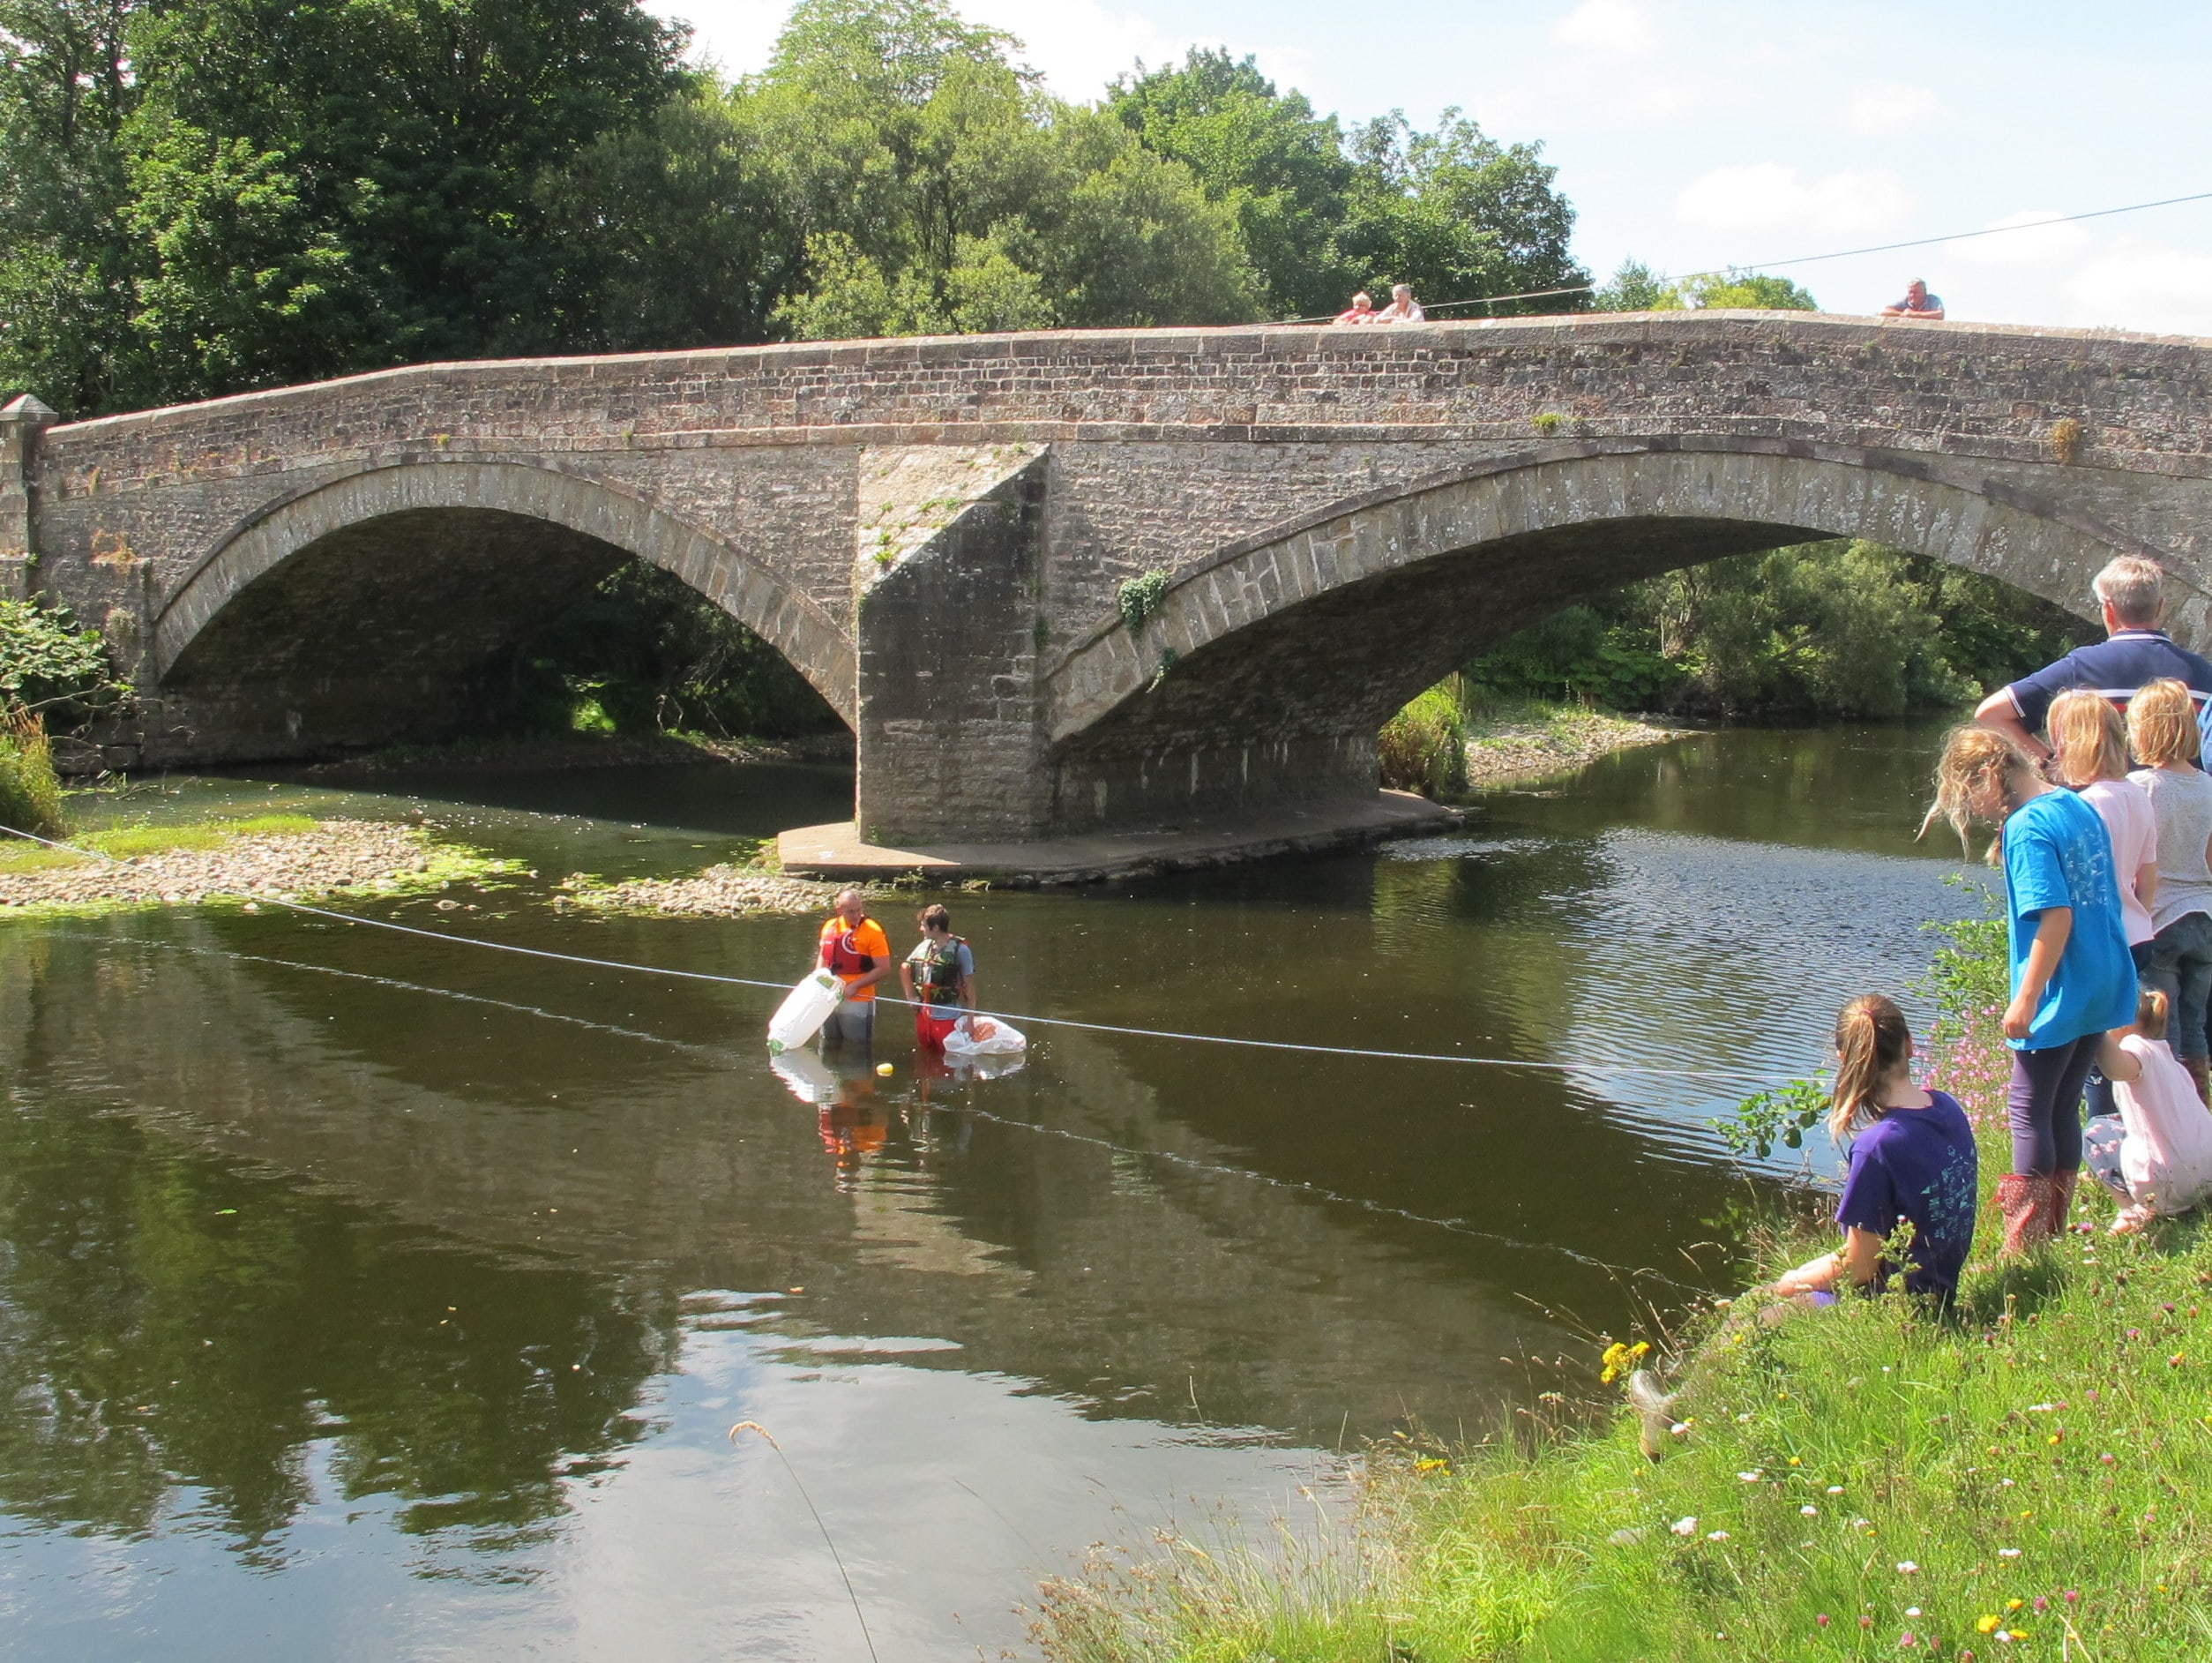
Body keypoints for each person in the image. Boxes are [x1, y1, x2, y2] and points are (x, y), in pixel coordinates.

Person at [1925, 724, 2134, 1253]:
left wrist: (2025, 999)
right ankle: (2052, 1235)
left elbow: (2056, 918)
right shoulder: (2075, 803)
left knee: (2028, 1107)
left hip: (2060, 989)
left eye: (1970, 796)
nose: (1975, 811)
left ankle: (2025, 1245)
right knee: (2062, 1105)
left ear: (1989, 775)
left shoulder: (2026, 826)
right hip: (2103, 975)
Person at [1772, 995, 1978, 1307]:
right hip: (1939, 1291)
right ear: (1909, 1044)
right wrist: (1803, 1273)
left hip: (1896, 1306)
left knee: (1749, 1315)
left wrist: (1792, 1283)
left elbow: (1859, 1269)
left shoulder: (1877, 1146)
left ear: (1844, 1059)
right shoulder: (1947, 1107)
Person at [1973, 555, 2212, 766]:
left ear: (2107, 609)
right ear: (2159, 607)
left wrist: (2049, 764)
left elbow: (1991, 714)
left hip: (2096, 802)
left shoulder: (2080, 666)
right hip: (2189, 802)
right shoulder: (2203, 673)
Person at [2048, 689, 2159, 1120]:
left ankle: (2103, 1141)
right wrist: (2137, 919)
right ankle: (2141, 1128)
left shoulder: (2086, 804)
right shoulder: (2137, 795)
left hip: (2100, 941)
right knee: (2122, 1049)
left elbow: (2077, 884)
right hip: (2138, 935)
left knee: (2092, 1060)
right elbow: (2147, 876)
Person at [2127, 680, 2212, 1103]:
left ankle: (2168, 1118)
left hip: (2160, 919)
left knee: (2162, 1031)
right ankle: (2199, 1118)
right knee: (2195, 1028)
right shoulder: (2208, 786)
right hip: (2204, 919)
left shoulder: (2141, 787)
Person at [2082, 987, 2212, 1232]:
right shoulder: (2166, 1055)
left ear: (2122, 1023)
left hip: (2168, 1180)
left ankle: (2130, 1210)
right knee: (2118, 1122)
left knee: (2094, 1131)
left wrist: (2093, 1025)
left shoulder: (2136, 1048)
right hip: (2206, 1170)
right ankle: (2197, 1193)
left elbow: (2114, 1069)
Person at [816, 888, 890, 1048]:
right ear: (839, 910)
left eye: (859, 910)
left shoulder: (873, 931)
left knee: (857, 1047)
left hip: (858, 1000)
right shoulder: (829, 927)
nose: (857, 915)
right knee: (828, 1044)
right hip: (829, 997)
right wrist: (818, 981)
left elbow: (884, 968)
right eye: (851, 911)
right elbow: (823, 956)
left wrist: (855, 986)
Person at [900, 903, 975, 1051]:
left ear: (935, 928)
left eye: (923, 926)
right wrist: (910, 997)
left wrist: (970, 1020)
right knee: (924, 1056)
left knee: (947, 1059)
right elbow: (904, 968)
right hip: (923, 1016)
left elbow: (970, 989)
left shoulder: (960, 950)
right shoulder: (925, 945)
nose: (920, 929)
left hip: (948, 1018)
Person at [1880, 280, 1944, 320]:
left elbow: (1940, 315)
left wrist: (1913, 315)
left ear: (1924, 291)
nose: (1912, 295)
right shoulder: (1905, 300)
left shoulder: (1933, 300)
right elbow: (1884, 312)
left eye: (1916, 292)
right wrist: (1902, 314)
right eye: (1910, 292)